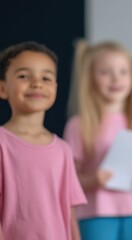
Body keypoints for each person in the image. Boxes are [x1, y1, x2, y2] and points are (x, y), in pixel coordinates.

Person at [63, 40, 132, 240]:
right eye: (105, 72)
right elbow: (69, 180)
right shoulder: (79, 125)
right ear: (90, 79)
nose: (116, 78)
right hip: (95, 214)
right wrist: (92, 181)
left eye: (123, 72)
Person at [0, 41, 86, 239]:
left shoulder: (63, 150)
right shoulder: (2, 143)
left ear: (55, 88)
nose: (37, 83)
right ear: (3, 88)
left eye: (46, 77)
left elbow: (69, 213)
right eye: (24, 76)